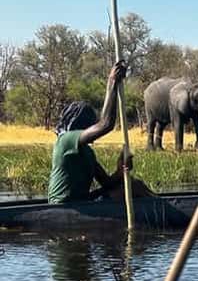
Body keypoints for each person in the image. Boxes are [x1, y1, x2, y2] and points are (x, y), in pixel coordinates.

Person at [48, 60, 153, 204]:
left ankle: (163, 205)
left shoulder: (87, 152)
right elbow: (106, 124)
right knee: (133, 187)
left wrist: (121, 170)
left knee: (134, 184)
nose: (93, 129)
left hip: (83, 202)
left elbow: (108, 183)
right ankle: (171, 212)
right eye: (90, 125)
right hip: (66, 207)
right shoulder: (65, 141)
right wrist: (112, 83)